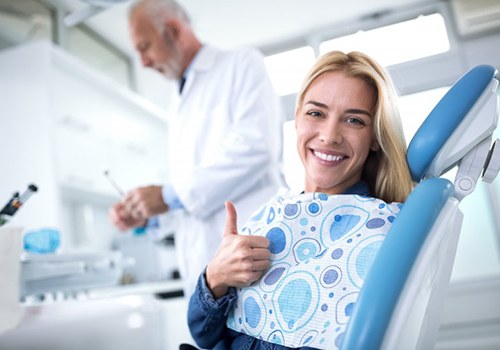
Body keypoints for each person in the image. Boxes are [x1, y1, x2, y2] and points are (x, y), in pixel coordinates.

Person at [186, 50, 414, 349]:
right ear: (297, 119)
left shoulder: (377, 231)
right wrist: (215, 277)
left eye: (354, 120)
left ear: (374, 137)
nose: (329, 136)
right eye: (316, 113)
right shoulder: (271, 216)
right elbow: (203, 335)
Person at [109, 0, 285, 296]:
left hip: (252, 262)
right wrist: (148, 213)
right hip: (205, 275)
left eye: (145, 47)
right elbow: (193, 198)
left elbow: (256, 147)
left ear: (174, 30)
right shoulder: (177, 101)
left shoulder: (241, 64)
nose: (144, 62)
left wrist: (166, 196)